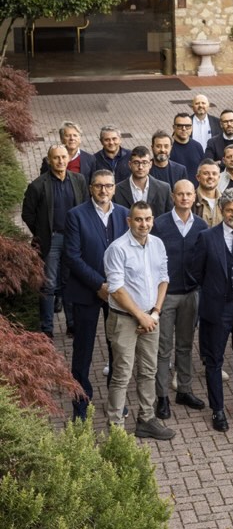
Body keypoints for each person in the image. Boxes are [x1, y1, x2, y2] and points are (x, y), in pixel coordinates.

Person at [188, 189, 233, 432]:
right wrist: (214, 290)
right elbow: (195, 271)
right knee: (214, 360)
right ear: (221, 210)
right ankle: (218, 409)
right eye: (229, 210)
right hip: (218, 308)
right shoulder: (207, 237)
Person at [102, 201, 172, 439]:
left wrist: (155, 312)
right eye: (139, 219)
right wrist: (140, 316)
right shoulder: (117, 249)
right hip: (124, 320)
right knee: (122, 374)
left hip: (151, 318)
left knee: (149, 371)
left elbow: (163, 279)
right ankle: (116, 428)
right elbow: (116, 289)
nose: (144, 224)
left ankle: (146, 419)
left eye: (148, 219)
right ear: (129, 221)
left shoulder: (158, 244)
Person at [64, 169, 130, 420]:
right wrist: (99, 285)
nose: (104, 190)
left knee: (117, 348)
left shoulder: (124, 214)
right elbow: (72, 256)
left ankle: (116, 400)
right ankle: (81, 405)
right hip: (86, 292)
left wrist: (114, 286)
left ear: (114, 188)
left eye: (108, 186)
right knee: (83, 351)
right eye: (99, 186)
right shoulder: (76, 215)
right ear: (91, 188)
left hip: (117, 293)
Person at [151, 179, 208, 420]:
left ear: (194, 197)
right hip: (166, 296)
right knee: (163, 348)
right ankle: (162, 396)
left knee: (185, 345)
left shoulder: (202, 226)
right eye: (180, 194)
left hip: (191, 294)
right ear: (173, 196)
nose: (185, 198)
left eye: (189, 194)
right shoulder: (160, 224)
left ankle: (184, 390)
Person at [22, 144, 88, 338]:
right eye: (56, 157)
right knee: (48, 284)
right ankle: (47, 329)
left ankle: (72, 325)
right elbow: (27, 214)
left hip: (73, 239)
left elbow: (85, 206)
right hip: (51, 240)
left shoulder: (79, 180)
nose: (60, 161)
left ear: (68, 158)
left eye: (63, 157)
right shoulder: (38, 185)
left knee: (70, 282)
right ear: (49, 160)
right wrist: (41, 232)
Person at [114, 146, 173, 217]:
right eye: (136, 163)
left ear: (150, 164)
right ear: (130, 164)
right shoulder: (117, 190)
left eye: (144, 163)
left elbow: (169, 217)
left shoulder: (164, 189)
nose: (140, 167)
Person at [170, 113, 206, 178]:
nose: (184, 129)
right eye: (180, 126)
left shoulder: (197, 146)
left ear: (192, 128)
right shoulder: (168, 148)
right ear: (174, 127)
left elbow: (203, 169)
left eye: (187, 126)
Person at [192, 159, 224, 227]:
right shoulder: (190, 200)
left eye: (214, 174)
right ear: (198, 177)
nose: (210, 177)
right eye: (206, 173)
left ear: (219, 178)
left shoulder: (226, 200)